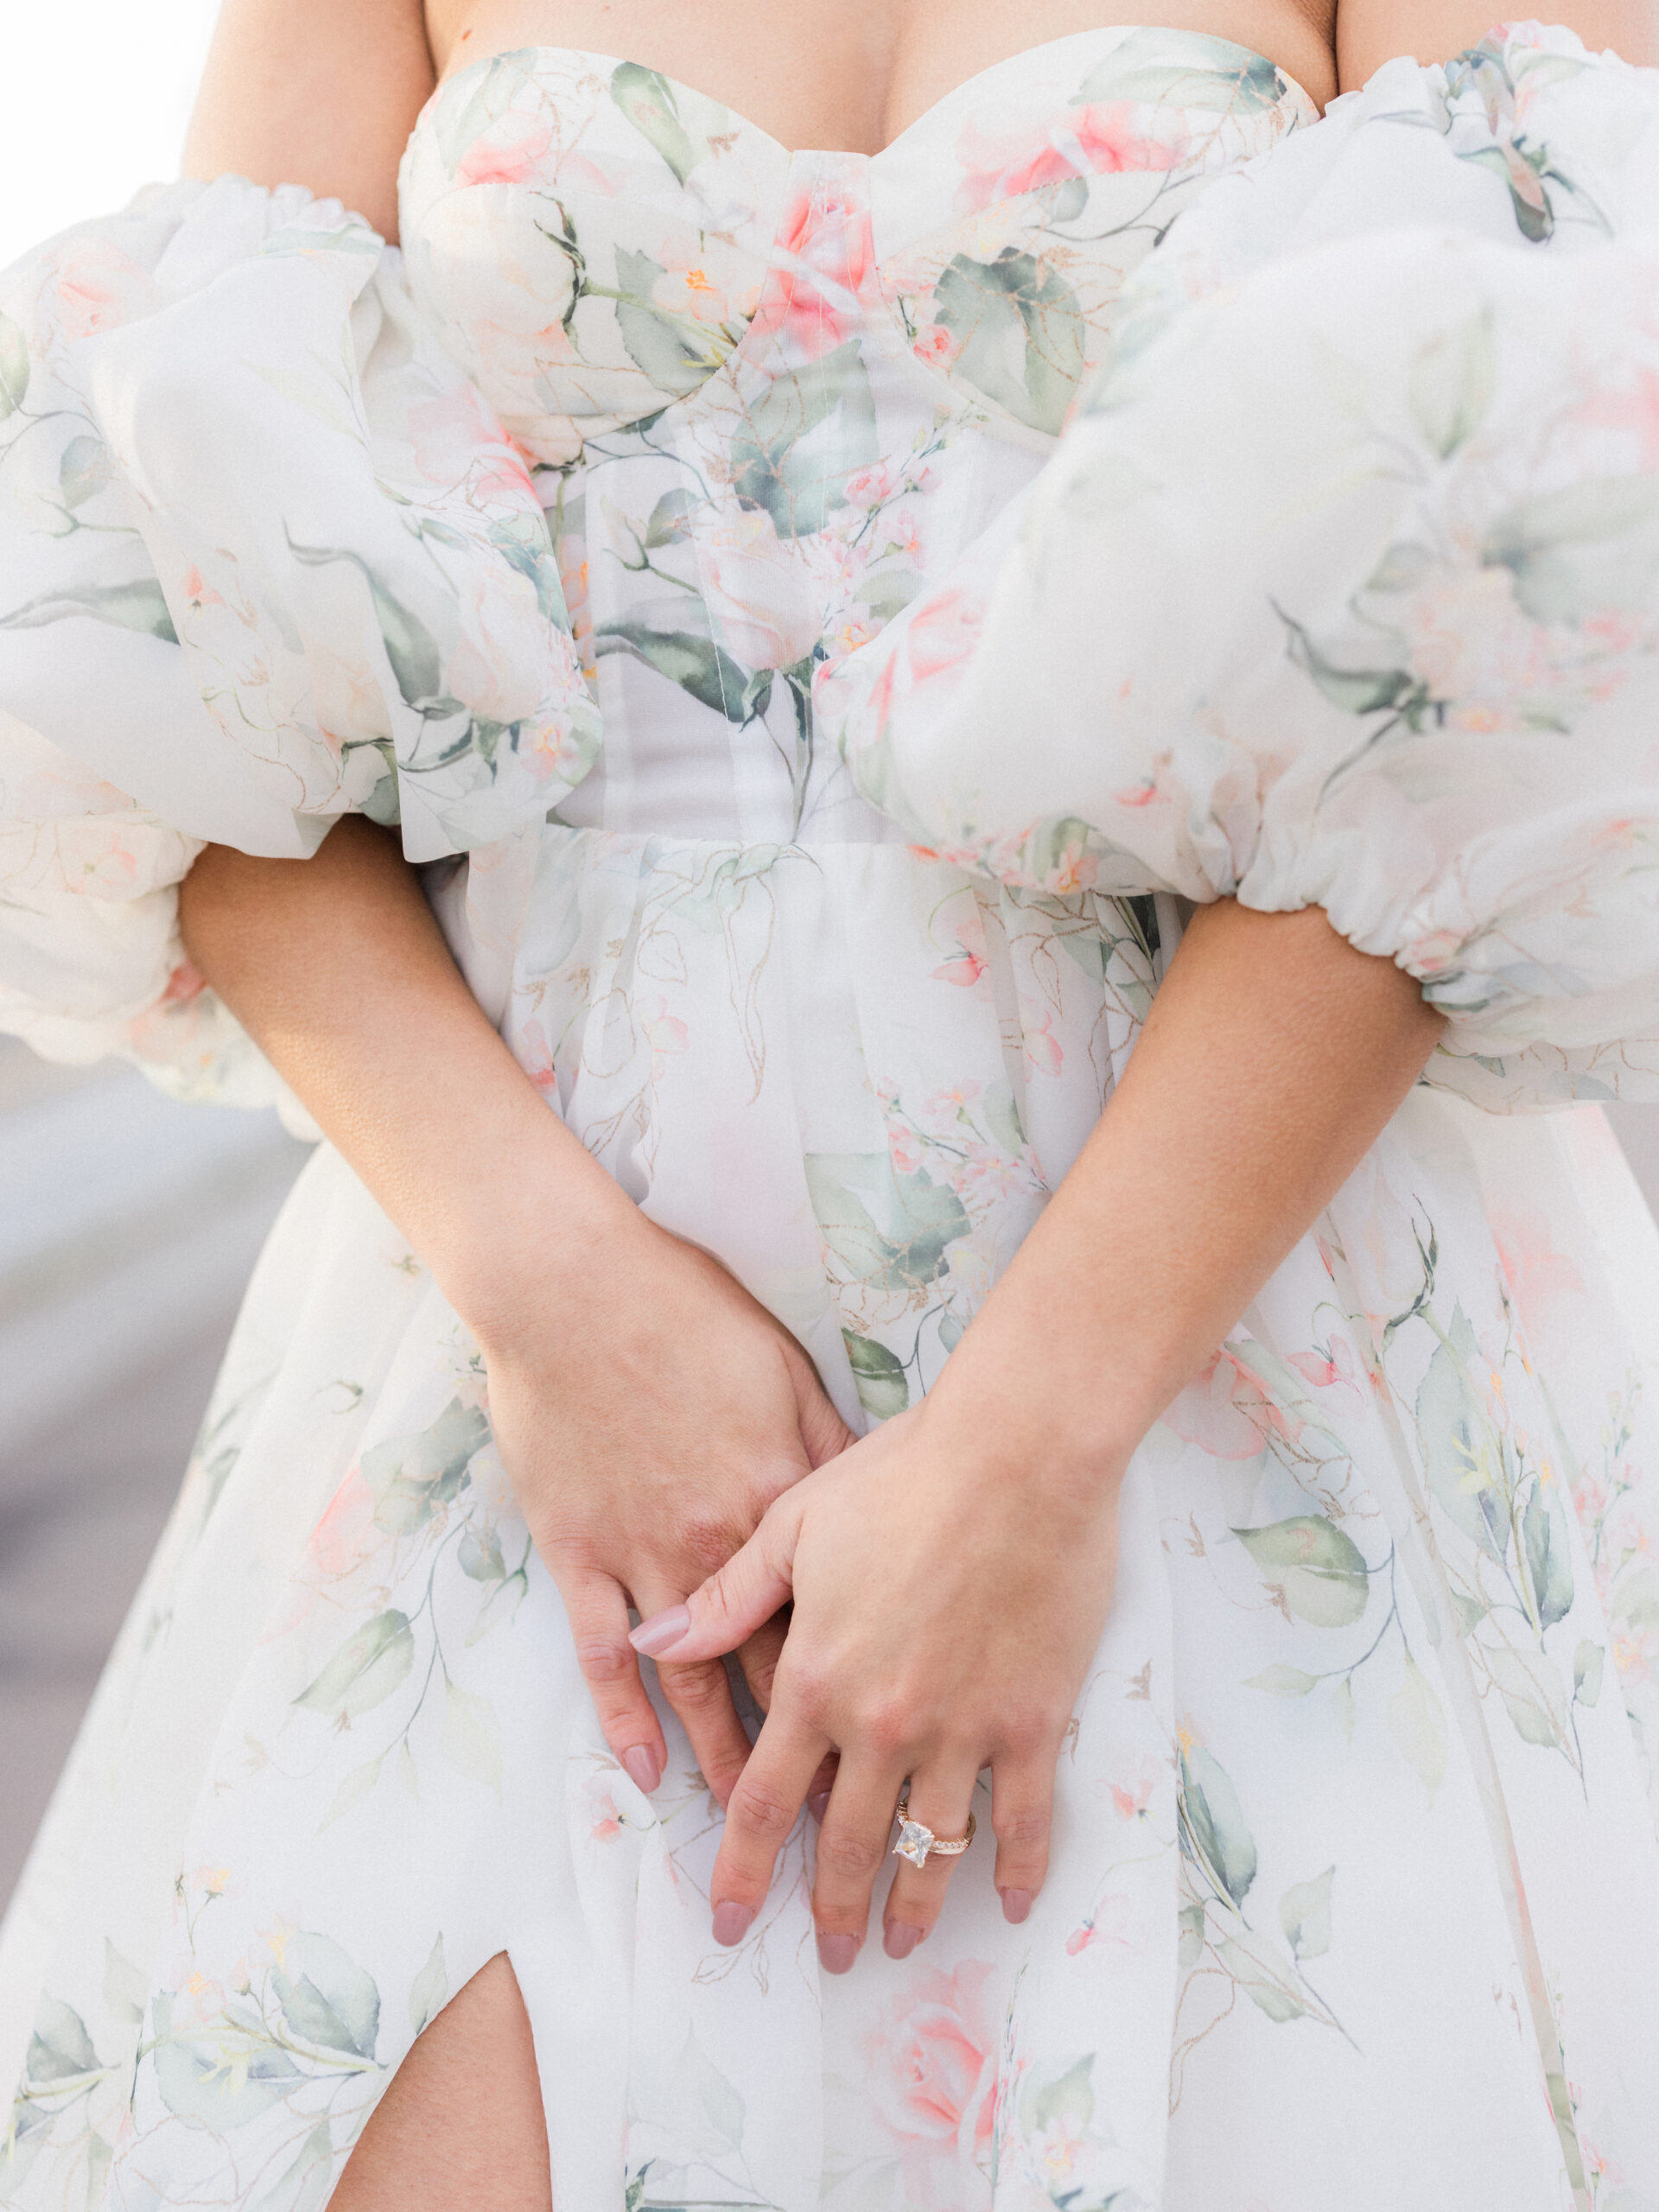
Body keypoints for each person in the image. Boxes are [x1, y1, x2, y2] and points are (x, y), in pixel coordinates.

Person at [3, 0, 1659, 2203]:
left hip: (1232, 1296)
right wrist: (551, 1292)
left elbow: (1539, 574)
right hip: (539, 1326)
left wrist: (1030, 1445)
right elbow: (168, 589)